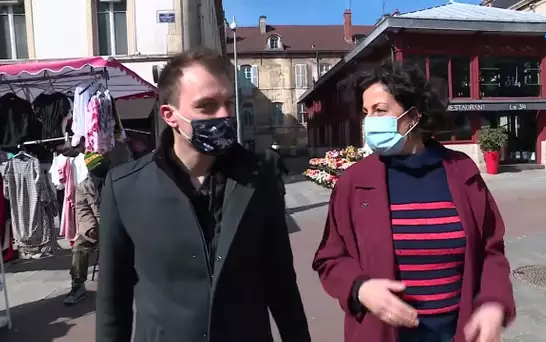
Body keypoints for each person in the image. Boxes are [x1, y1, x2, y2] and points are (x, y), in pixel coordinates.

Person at [96, 47, 310, 342]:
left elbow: (282, 283)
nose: (224, 115)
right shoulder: (124, 188)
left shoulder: (259, 179)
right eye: (207, 106)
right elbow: (112, 301)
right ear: (170, 115)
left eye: (227, 103)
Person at [312, 61, 515, 342]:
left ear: (414, 116)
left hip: (456, 333)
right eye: (366, 112)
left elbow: (491, 251)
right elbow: (330, 258)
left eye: (380, 110)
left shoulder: (462, 172)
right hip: (381, 334)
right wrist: (360, 288)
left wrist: (493, 303)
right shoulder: (354, 182)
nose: (369, 121)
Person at [64, 152, 107, 305]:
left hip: (117, 225)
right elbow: (82, 212)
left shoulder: (115, 180)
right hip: (96, 227)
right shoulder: (83, 187)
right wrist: (92, 229)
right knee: (79, 247)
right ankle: (78, 285)